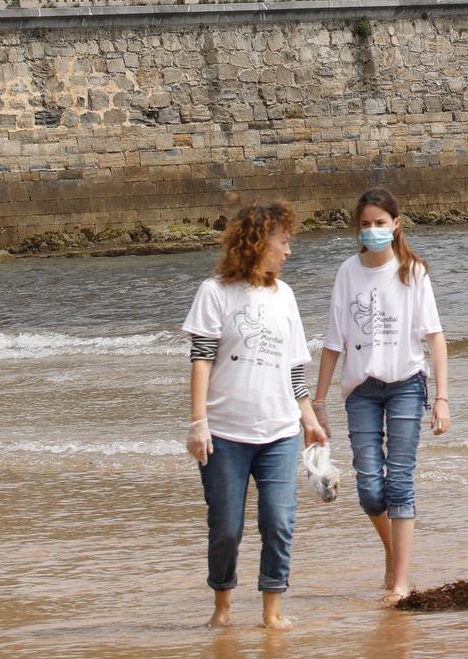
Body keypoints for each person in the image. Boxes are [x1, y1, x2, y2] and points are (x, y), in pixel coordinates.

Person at [183, 201, 325, 629]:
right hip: (224, 433)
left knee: (279, 521)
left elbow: (293, 366)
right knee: (226, 528)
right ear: (258, 242)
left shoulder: (285, 295)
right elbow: (202, 358)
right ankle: (222, 609)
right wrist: (197, 423)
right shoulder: (215, 292)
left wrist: (309, 417)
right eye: (283, 242)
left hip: (279, 431)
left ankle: (272, 610)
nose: (288, 252)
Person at [314, 189, 450, 602]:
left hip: (407, 384)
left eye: (380, 223)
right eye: (366, 224)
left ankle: (400, 581)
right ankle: (394, 551)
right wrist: (317, 404)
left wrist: (442, 397)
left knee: (401, 482)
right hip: (361, 390)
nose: (373, 230)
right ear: (358, 228)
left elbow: (435, 337)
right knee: (371, 488)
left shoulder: (413, 272)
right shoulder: (347, 273)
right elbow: (334, 341)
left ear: (396, 224)